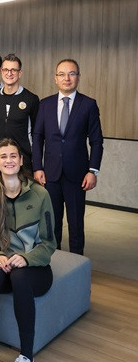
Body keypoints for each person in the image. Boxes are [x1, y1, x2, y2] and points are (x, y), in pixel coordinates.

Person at [0, 139, 56, 362]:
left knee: (20, 277)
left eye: (13, 156)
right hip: (4, 264)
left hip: (35, 269)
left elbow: (49, 243)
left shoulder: (40, 195)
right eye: (3, 156)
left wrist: (27, 258)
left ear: (21, 161)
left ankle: (27, 359)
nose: (9, 160)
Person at [32, 59, 103, 255]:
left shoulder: (88, 105)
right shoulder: (45, 104)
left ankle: (77, 265)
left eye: (71, 73)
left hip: (78, 176)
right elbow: (37, 137)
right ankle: (55, 263)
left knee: (76, 225)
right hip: (50, 175)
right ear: (55, 78)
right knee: (52, 224)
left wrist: (93, 171)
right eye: (62, 74)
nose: (67, 78)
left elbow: (97, 141)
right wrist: (37, 167)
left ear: (78, 77)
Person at [0, 54, 39, 168]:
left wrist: (36, 162)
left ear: (20, 73)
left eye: (13, 70)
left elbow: (37, 134)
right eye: (6, 70)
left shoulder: (31, 99)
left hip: (23, 160)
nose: (9, 73)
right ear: (1, 72)